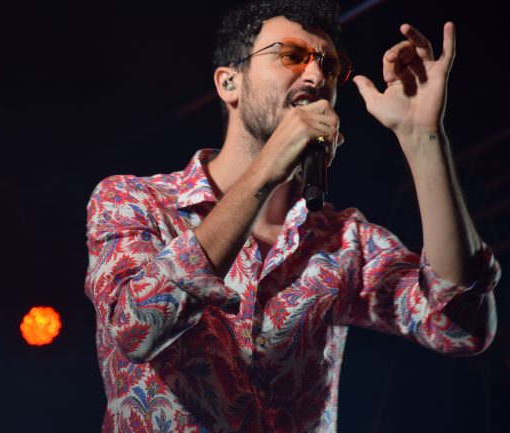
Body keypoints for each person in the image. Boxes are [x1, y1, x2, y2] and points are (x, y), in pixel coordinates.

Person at [84, 0, 501, 431]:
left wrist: (424, 138)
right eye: (292, 55)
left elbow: (459, 327)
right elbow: (136, 328)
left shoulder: (343, 240)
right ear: (229, 82)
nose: (317, 76)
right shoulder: (134, 201)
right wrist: (268, 167)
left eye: (330, 66)